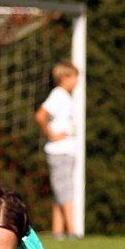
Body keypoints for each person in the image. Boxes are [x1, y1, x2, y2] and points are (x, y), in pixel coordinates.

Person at [34, 61, 80, 239]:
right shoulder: (58, 94)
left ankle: (58, 232)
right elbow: (41, 115)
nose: (77, 81)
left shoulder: (66, 97)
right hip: (60, 151)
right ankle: (72, 231)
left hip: (66, 151)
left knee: (60, 191)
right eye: (74, 77)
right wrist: (52, 134)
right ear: (64, 77)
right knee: (65, 190)